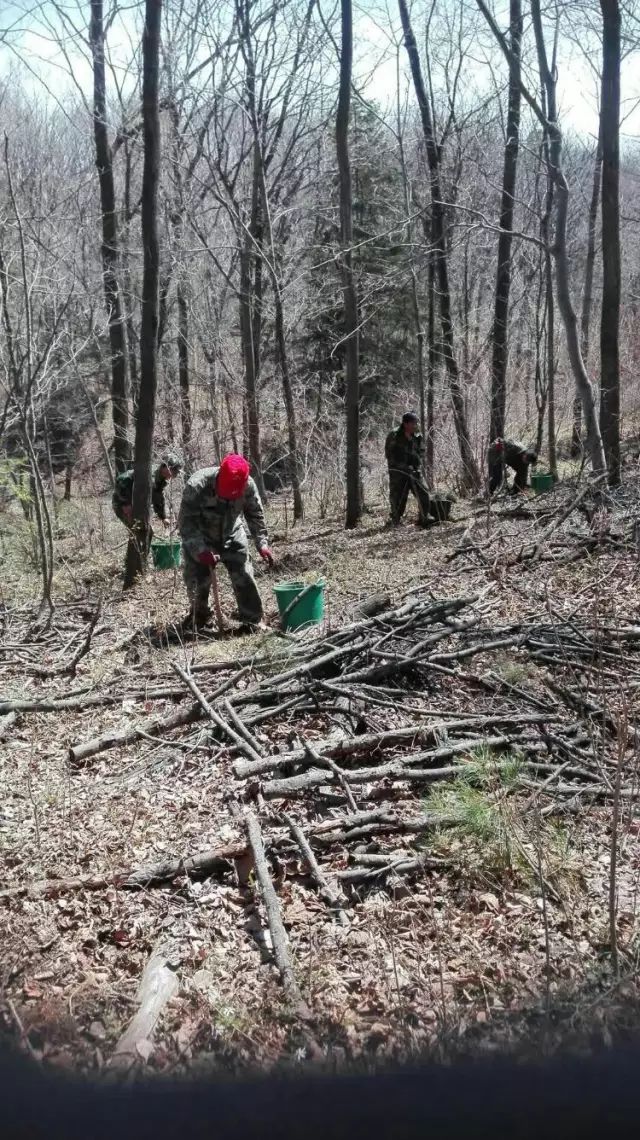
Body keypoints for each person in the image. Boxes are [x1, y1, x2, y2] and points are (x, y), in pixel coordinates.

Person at [178, 453, 274, 631]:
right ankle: (200, 619)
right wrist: (200, 550)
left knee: (244, 575)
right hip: (201, 537)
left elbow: (255, 514)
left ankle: (252, 621)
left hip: (232, 533)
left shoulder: (248, 485)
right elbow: (186, 524)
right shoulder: (197, 485)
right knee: (197, 581)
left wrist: (262, 543)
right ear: (220, 475)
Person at [112, 452, 182, 532]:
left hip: (136, 506)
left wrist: (163, 517)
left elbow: (158, 498)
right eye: (174, 471)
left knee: (142, 532)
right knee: (141, 532)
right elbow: (122, 479)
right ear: (166, 467)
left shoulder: (161, 479)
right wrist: (125, 503)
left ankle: (136, 543)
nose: (174, 475)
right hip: (122, 504)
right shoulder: (148, 473)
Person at [384, 412, 431, 527]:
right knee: (398, 497)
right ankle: (395, 520)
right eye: (413, 423)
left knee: (424, 493)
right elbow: (389, 455)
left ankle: (424, 518)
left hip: (414, 471)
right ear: (406, 424)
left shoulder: (417, 435)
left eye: (416, 423)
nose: (416, 425)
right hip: (398, 473)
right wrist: (403, 467)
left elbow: (422, 451)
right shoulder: (394, 435)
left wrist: (416, 461)